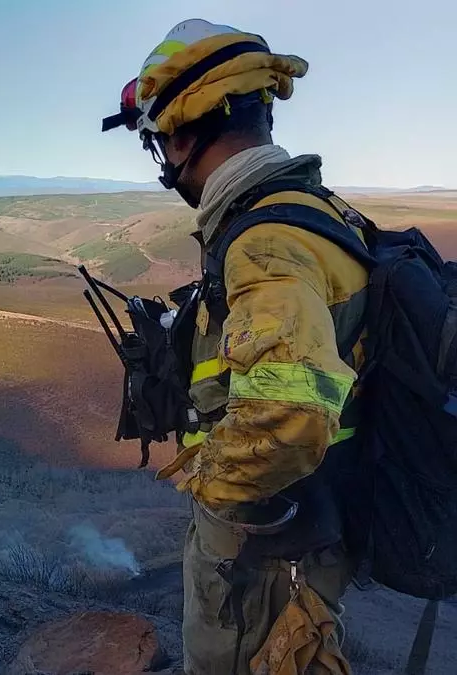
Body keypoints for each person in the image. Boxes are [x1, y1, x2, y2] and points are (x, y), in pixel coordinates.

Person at [101, 19, 369, 675]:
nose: (165, 165)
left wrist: (213, 484)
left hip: (267, 542)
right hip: (310, 520)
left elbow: (292, 412)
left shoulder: (266, 242)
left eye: (160, 144)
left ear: (186, 134)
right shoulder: (319, 211)